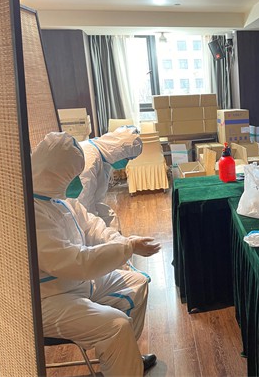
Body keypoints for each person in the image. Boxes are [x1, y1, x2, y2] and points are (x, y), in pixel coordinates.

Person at [32, 132, 161, 376]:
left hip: (75, 283)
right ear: (56, 174)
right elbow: (76, 262)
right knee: (116, 326)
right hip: (49, 298)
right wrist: (127, 248)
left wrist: (122, 242)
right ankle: (123, 362)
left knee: (137, 282)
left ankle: (124, 359)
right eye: (73, 176)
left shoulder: (60, 198)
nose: (78, 183)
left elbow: (92, 227)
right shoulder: (32, 213)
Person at [78, 125, 143, 230]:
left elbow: (96, 199)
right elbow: (83, 205)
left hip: (87, 208)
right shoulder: (89, 160)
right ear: (120, 152)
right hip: (78, 214)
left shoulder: (102, 157)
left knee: (112, 222)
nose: (126, 163)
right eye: (128, 159)